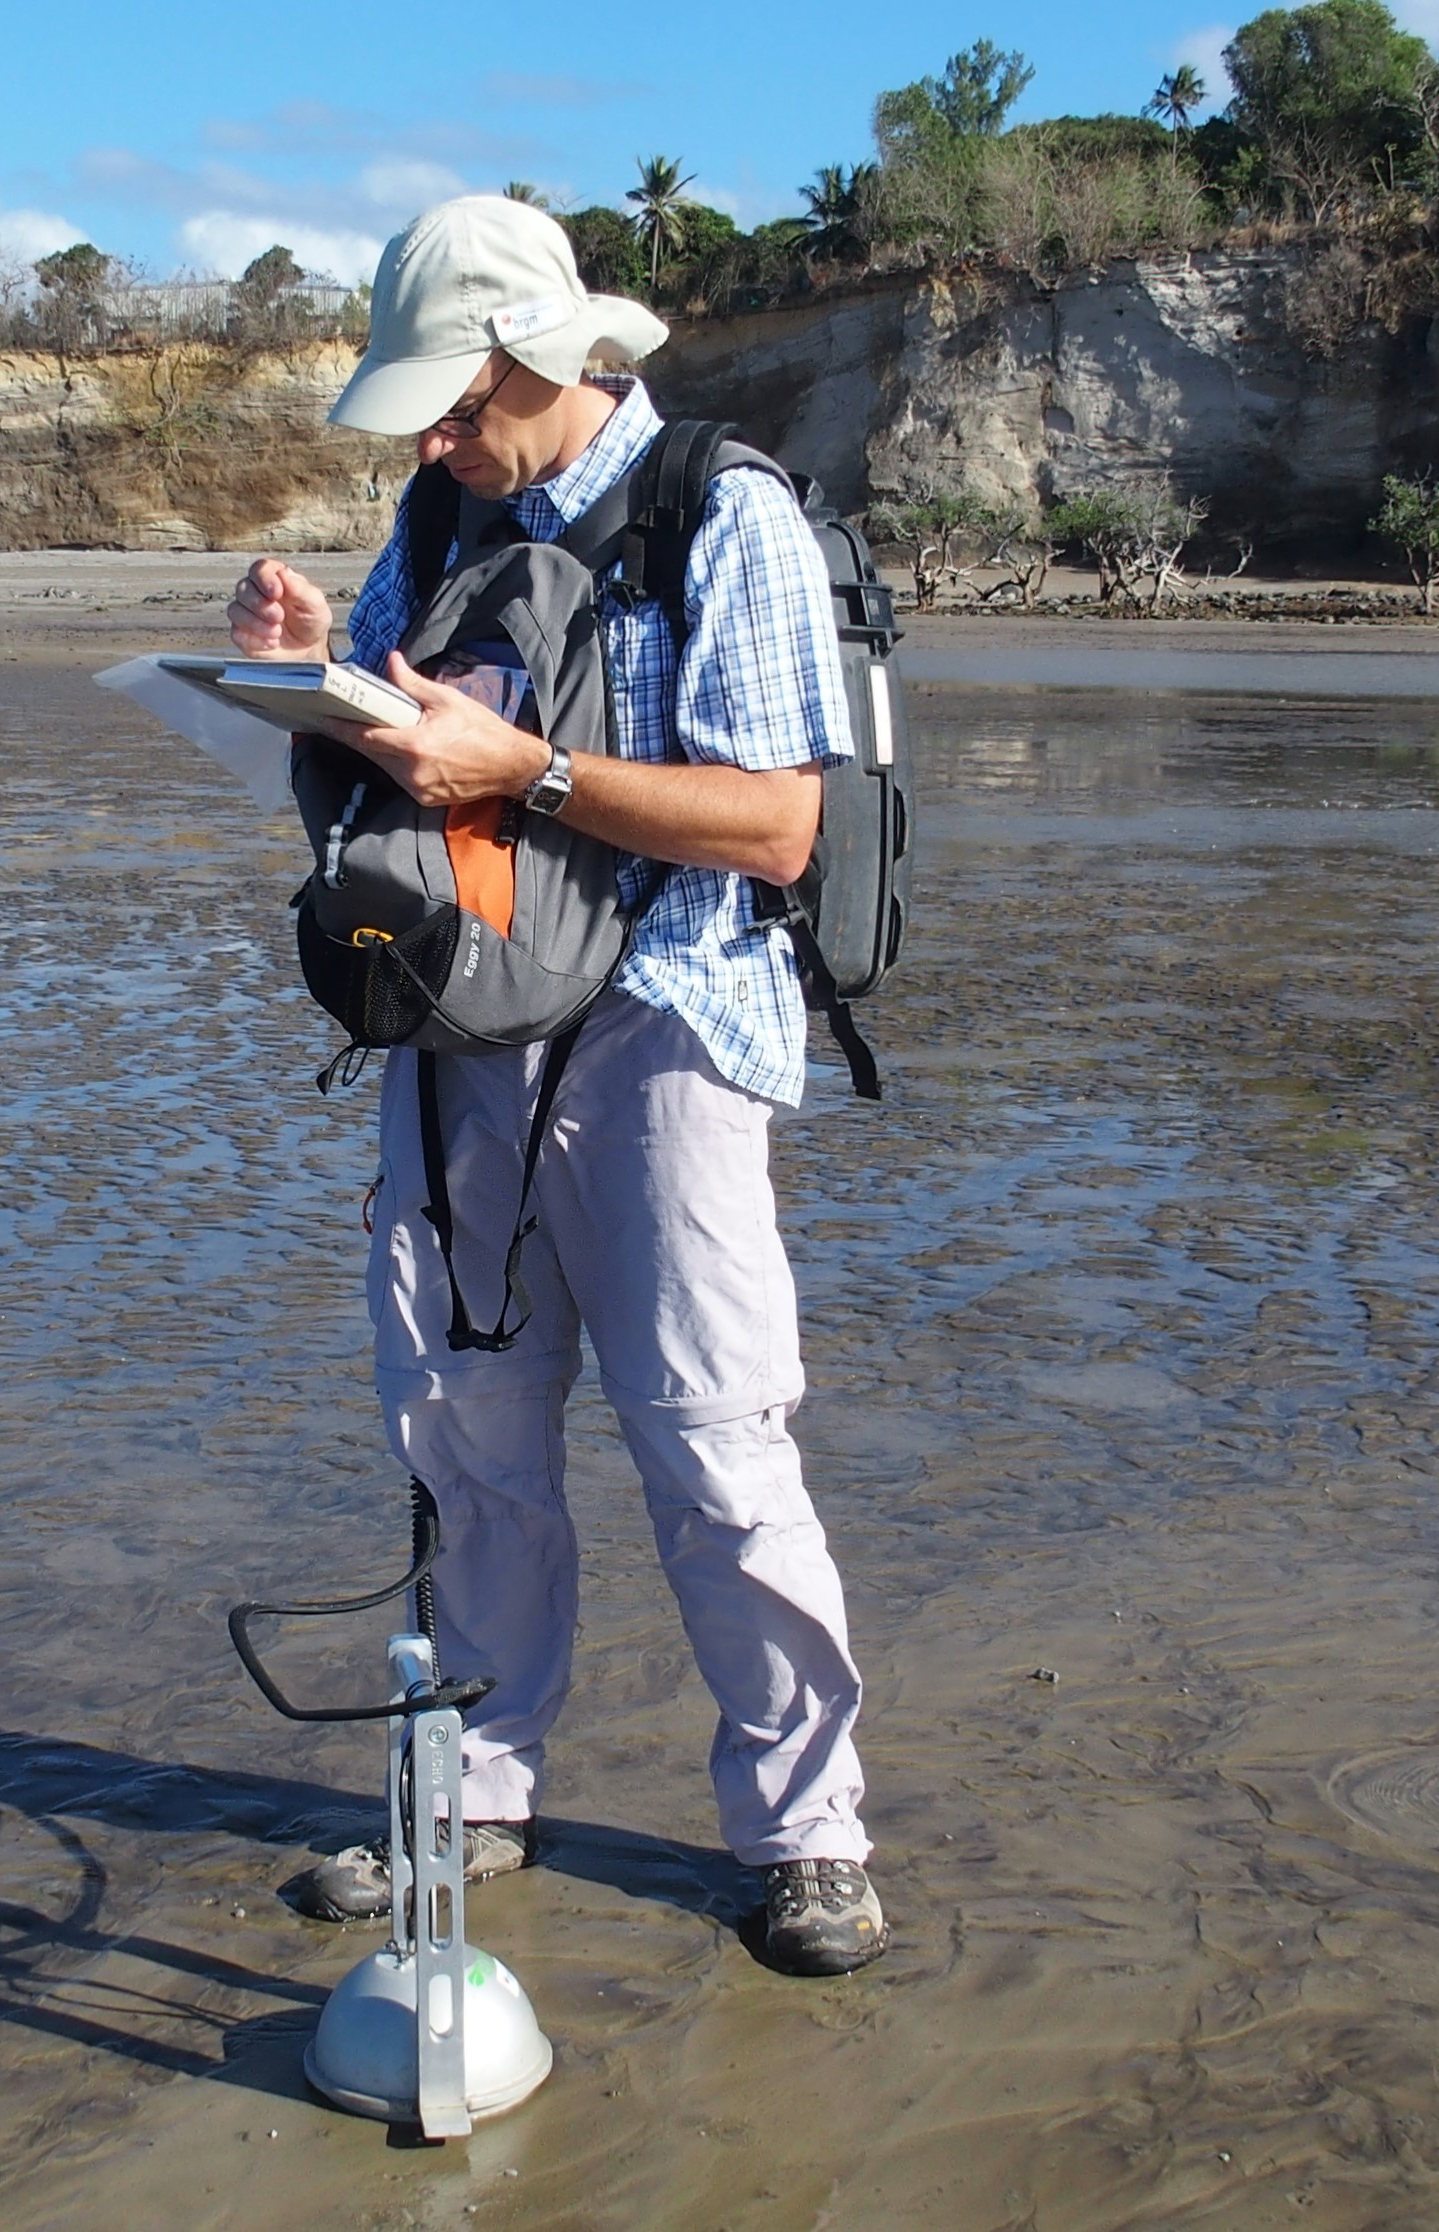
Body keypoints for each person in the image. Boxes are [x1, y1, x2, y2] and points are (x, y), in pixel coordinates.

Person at [226, 196, 887, 1978]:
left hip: (672, 1025)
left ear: (540, 356)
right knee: (465, 1439)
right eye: (424, 415)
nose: (431, 441)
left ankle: (809, 1838)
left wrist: (529, 768)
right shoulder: (443, 507)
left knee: (718, 1446)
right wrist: (303, 679)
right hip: (459, 1025)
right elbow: (386, 737)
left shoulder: (723, 513)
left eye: (452, 404)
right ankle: (472, 1793)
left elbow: (779, 823)